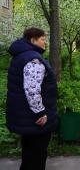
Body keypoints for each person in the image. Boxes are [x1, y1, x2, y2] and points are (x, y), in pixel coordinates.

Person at [6, 27, 58, 170]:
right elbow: (32, 90)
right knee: (37, 156)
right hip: (35, 118)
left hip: (26, 116)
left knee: (29, 155)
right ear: (32, 40)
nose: (45, 43)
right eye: (42, 39)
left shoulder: (22, 55)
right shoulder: (33, 59)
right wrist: (40, 112)